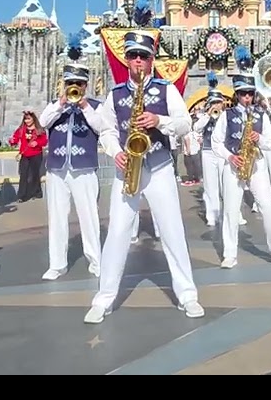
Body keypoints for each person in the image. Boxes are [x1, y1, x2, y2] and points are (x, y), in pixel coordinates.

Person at [86, 31, 203, 324]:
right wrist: (115, 152)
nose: (138, 61)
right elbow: (108, 130)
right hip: (128, 169)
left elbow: (185, 122)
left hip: (160, 167)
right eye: (133, 56)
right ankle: (104, 298)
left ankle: (187, 295)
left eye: (144, 56)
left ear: (152, 60)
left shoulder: (166, 90)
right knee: (117, 232)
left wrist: (158, 121)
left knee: (172, 230)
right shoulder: (115, 95)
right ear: (126, 59)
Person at [211, 47, 271, 269]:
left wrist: (259, 138)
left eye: (250, 93)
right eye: (243, 94)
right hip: (234, 166)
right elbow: (216, 142)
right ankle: (229, 253)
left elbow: (270, 143)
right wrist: (230, 157)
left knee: (268, 206)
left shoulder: (260, 115)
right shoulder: (226, 115)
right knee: (230, 209)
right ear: (237, 94)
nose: (247, 98)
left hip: (255, 165)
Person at [38, 33, 105, 280]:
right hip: (57, 169)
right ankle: (57, 263)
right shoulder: (56, 106)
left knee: (89, 217)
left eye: (79, 83)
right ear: (64, 84)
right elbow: (43, 122)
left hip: (84, 169)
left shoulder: (96, 106)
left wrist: (85, 106)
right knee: (56, 217)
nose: (75, 86)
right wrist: (61, 103)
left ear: (86, 85)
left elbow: (100, 127)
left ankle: (96, 261)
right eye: (70, 82)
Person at [191, 72, 227, 227]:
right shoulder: (205, 117)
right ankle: (212, 215)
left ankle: (228, 214)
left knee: (225, 184)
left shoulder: (226, 116)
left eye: (219, 102)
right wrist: (207, 114)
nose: (217, 105)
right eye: (214, 102)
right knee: (210, 185)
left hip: (222, 153)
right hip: (207, 151)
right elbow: (196, 128)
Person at [9, 110, 46, 203]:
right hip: (25, 154)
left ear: (33, 119)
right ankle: (21, 195)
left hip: (36, 154)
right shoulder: (21, 129)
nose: (27, 121)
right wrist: (12, 141)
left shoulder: (39, 130)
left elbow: (44, 141)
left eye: (29, 119)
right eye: (25, 119)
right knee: (23, 174)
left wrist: (37, 142)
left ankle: (36, 192)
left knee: (34, 174)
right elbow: (15, 138)